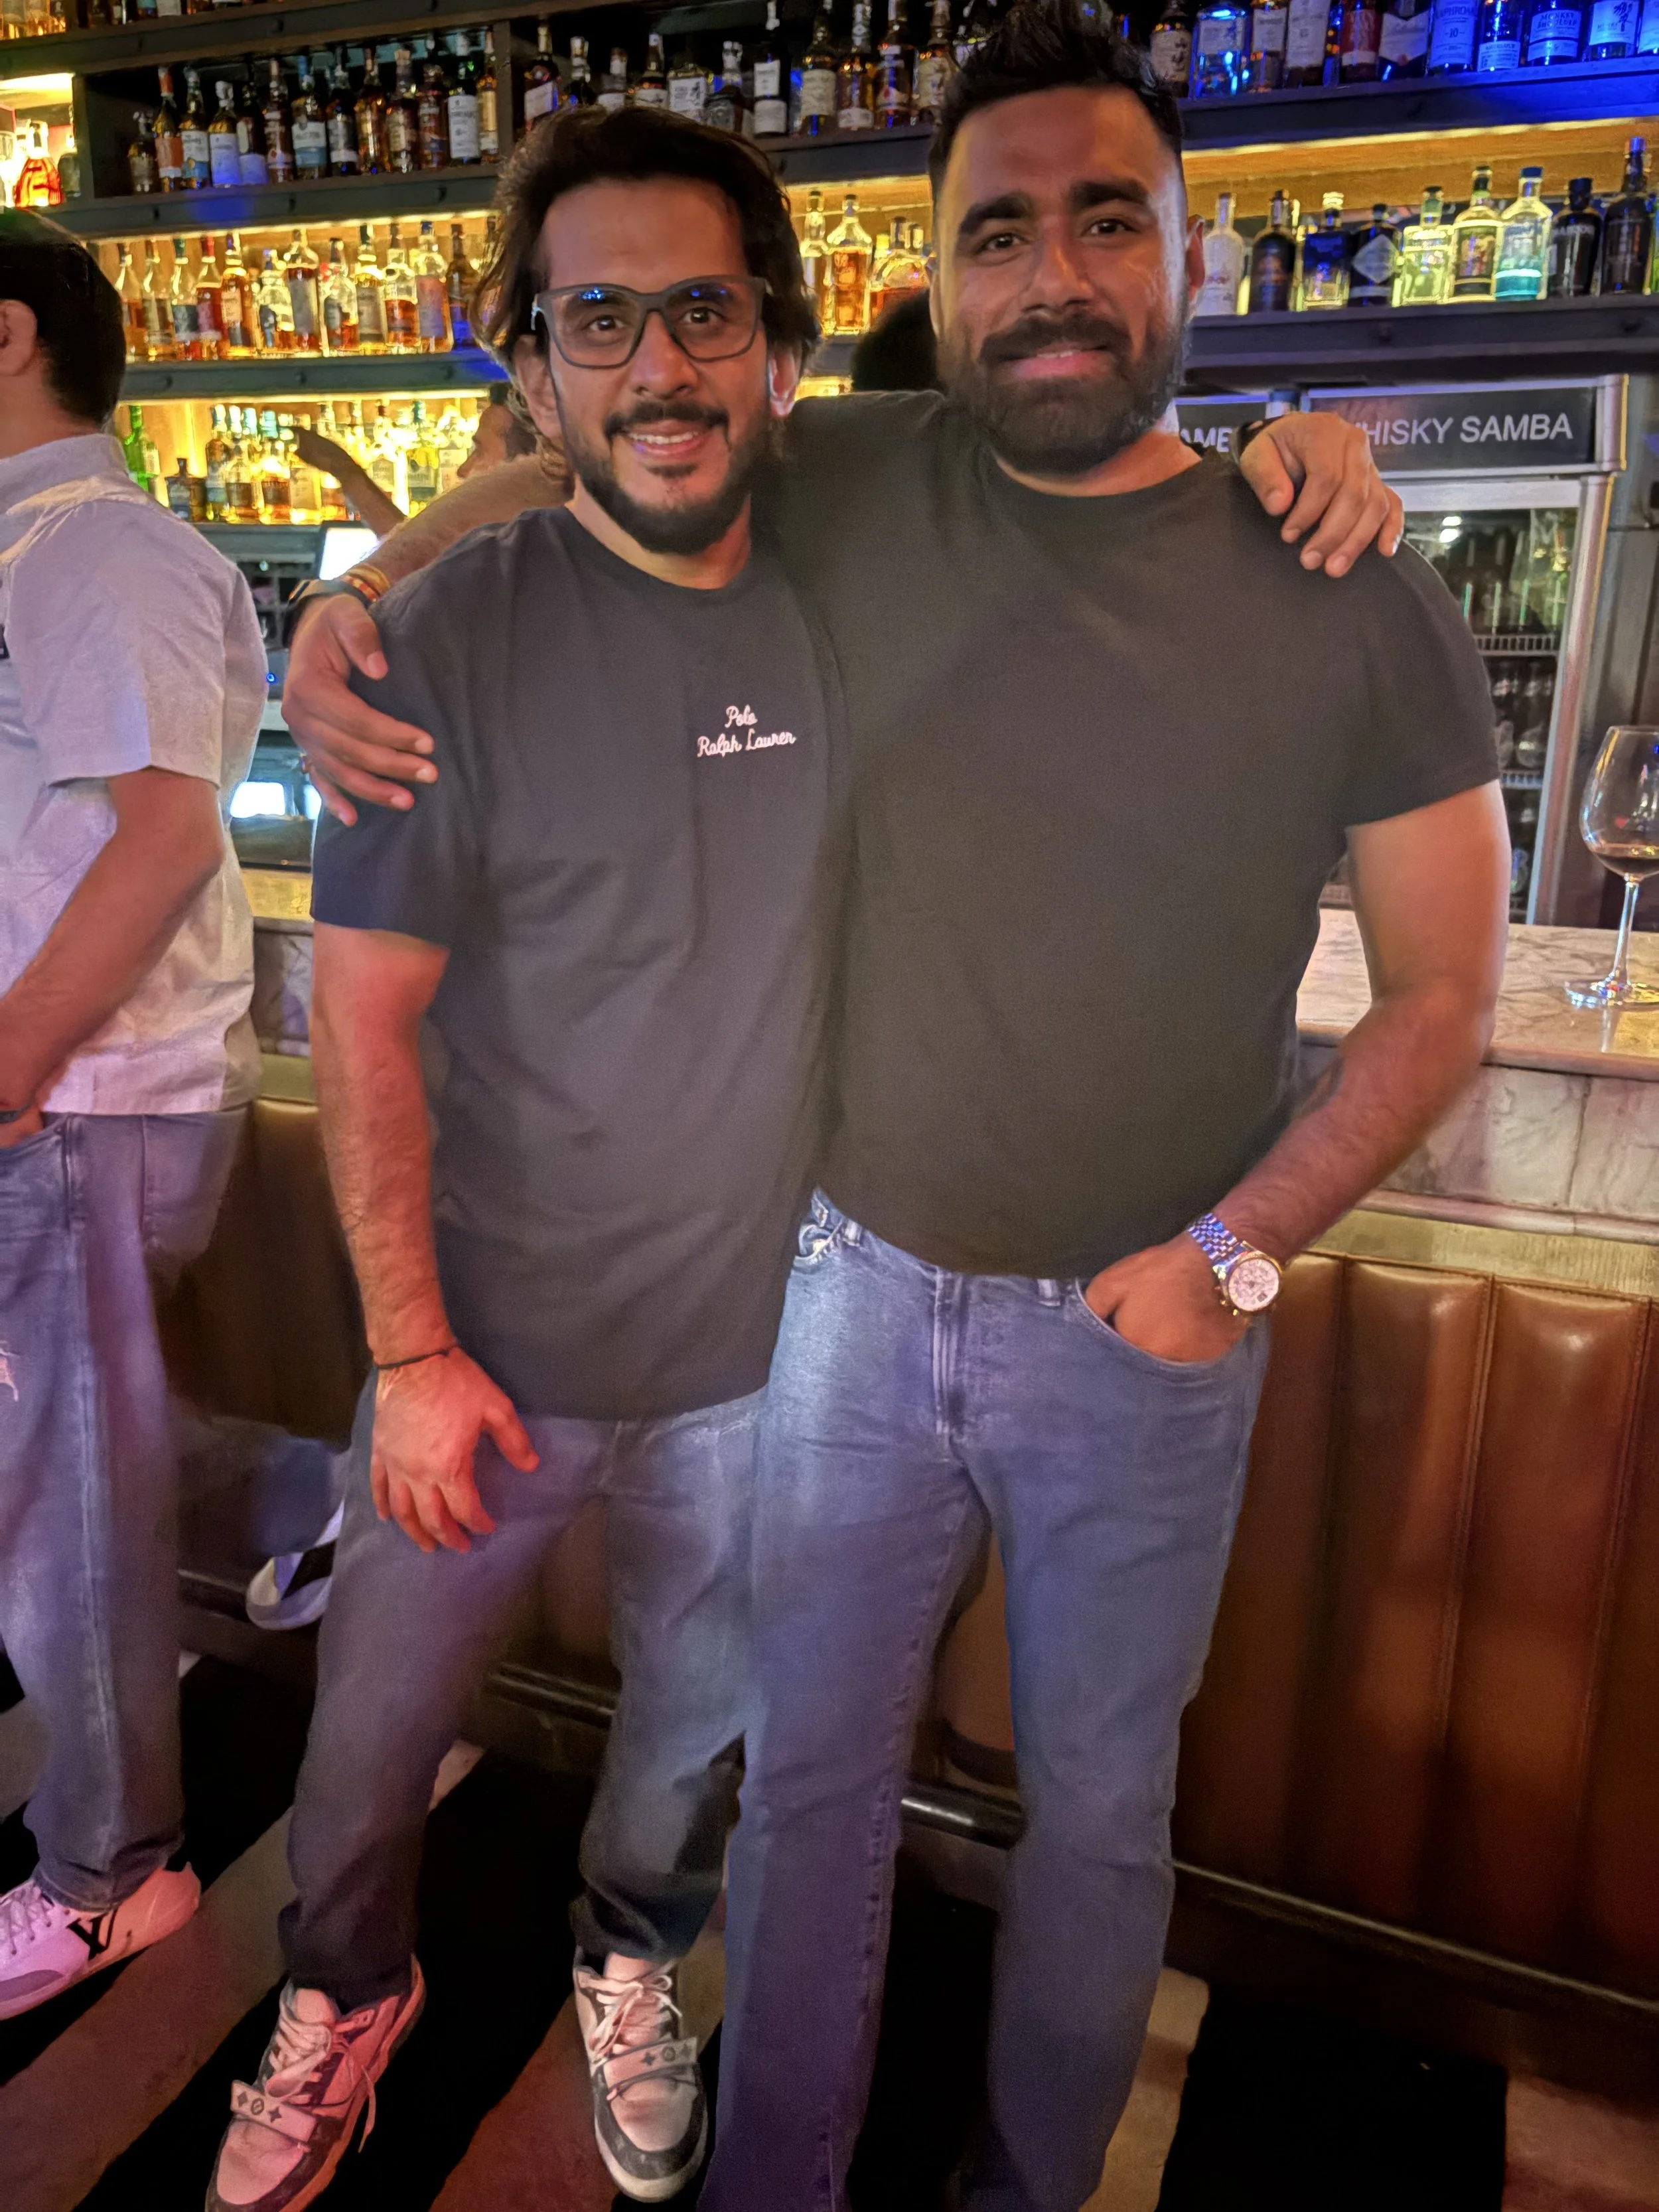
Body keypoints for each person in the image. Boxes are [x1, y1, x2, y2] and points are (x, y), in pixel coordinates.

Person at [274, 35, 1419, 2206]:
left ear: (1190, 258)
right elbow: (595, 457)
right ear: (937, 279)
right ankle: (530, 2074)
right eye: (1001, 231)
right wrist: (358, 590)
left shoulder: (1204, 550)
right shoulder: (795, 496)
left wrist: (1304, 440)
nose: (1051, 274)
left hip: (957, 1330)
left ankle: (894, 2115)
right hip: (740, 1311)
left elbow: (1433, 992)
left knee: (1014, 1803)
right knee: (614, 1764)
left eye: (1109, 221)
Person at [205, 110, 834, 2212]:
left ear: (778, 344)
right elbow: (363, 1022)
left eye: (702, 311)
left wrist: (1304, 460)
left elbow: (1083, 480)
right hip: (475, 1348)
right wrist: (408, 1351)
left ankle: (629, 1955)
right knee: (363, 1748)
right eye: (599, 321)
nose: (658, 364)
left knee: (687, 1742)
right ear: (533, 363)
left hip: (760, 1360)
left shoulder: (855, 576)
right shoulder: (443, 642)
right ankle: (343, 1988)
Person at [0, 214, 267, 2016]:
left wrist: (9, 1064)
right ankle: (307, 1519)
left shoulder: (93, 544)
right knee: (62, 1469)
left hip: (83, 1099)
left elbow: (165, 836)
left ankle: (113, 1875)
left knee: (70, 1505)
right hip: (63, 1092)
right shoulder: (46, 542)